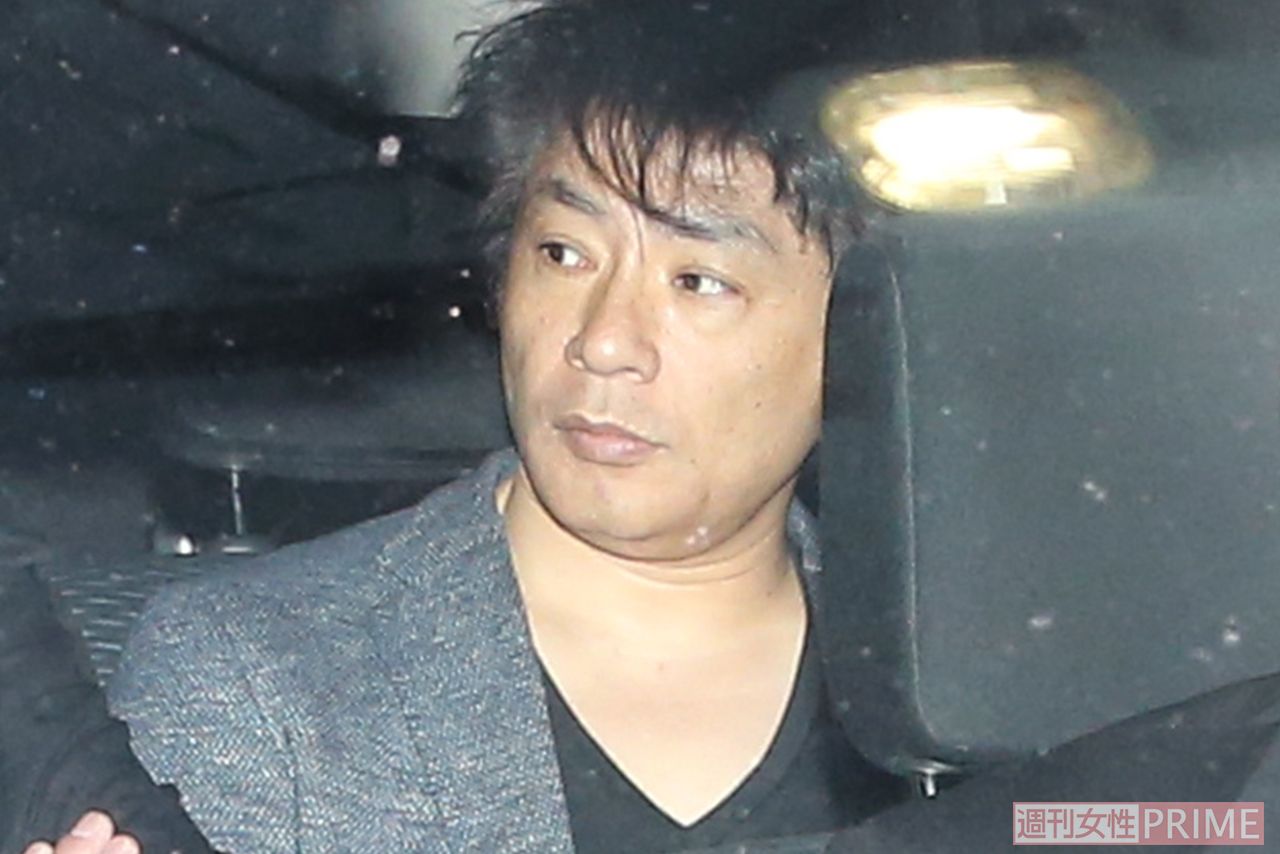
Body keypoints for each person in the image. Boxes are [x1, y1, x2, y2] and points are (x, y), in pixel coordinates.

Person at [31, 0, 915, 850]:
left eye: (698, 282)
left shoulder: (956, 691)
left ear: (865, 328)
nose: (604, 341)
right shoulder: (266, 683)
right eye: (564, 253)